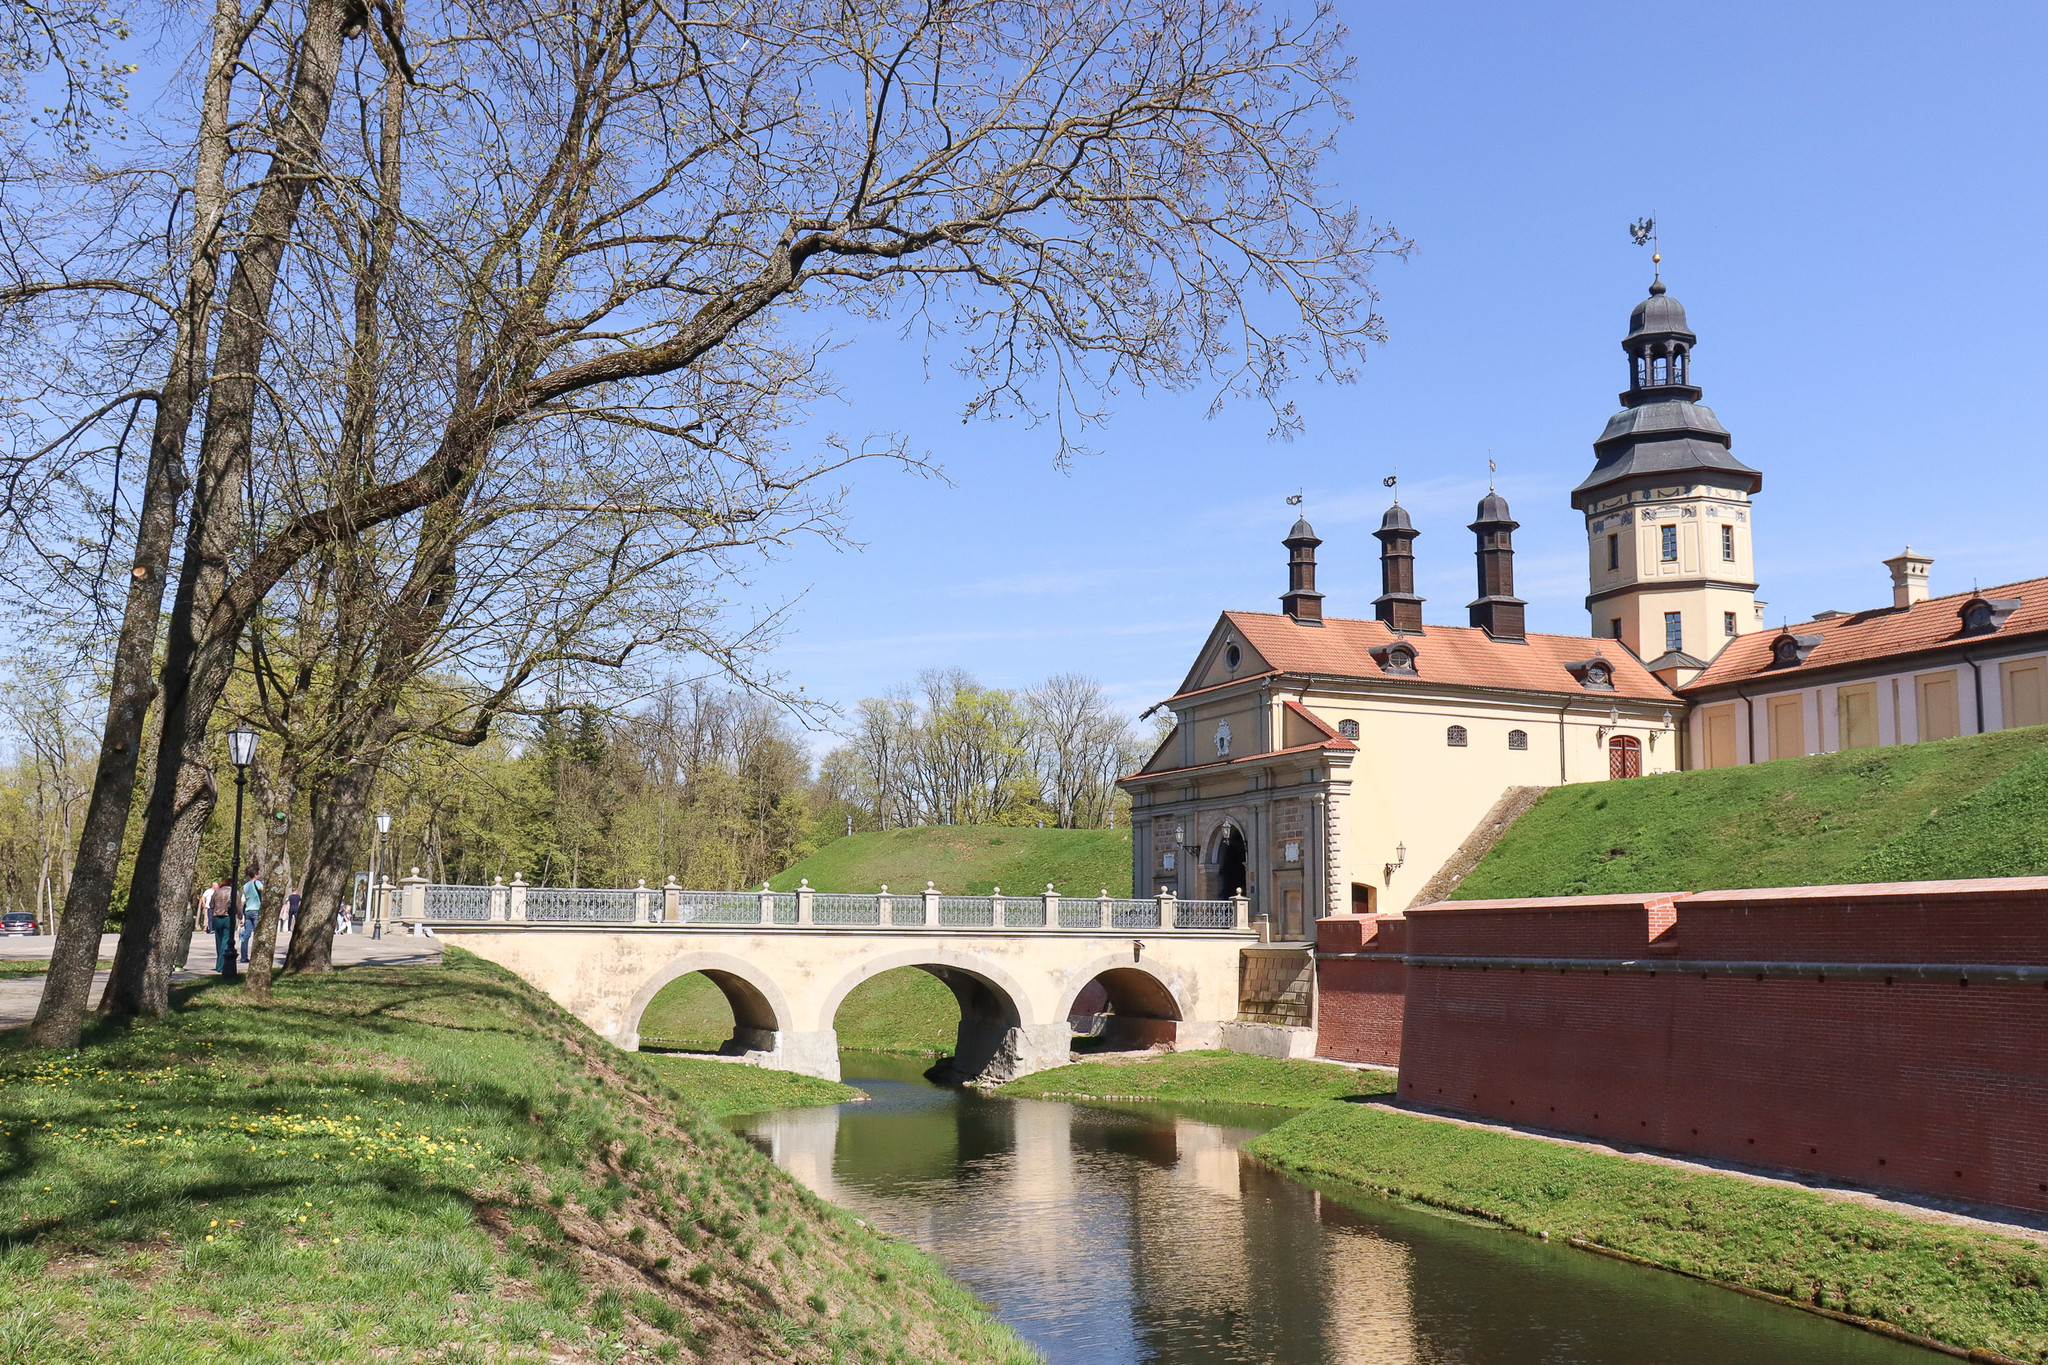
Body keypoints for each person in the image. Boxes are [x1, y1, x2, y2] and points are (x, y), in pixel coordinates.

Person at [209, 877, 238, 981]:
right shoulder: (233, 892)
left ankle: (219, 963)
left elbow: (211, 905)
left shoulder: (216, 892)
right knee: (226, 941)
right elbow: (238, 905)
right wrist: (240, 916)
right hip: (227, 917)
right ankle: (221, 965)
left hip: (216, 917)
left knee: (219, 941)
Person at [239, 869, 264, 965]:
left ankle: (244, 956)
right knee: (257, 933)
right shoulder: (257, 883)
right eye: (258, 873)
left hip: (248, 910)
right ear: (255, 874)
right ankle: (256, 955)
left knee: (246, 934)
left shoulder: (245, 886)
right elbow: (262, 890)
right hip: (256, 909)